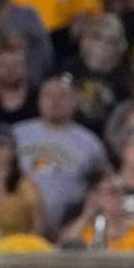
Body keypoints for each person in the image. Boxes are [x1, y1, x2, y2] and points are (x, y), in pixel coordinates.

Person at [13, 74, 106, 238]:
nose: (54, 101)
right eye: (48, 95)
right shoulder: (18, 134)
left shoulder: (90, 143)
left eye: (62, 96)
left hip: (69, 230)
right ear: (39, 99)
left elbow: (100, 185)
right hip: (20, 229)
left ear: (75, 100)